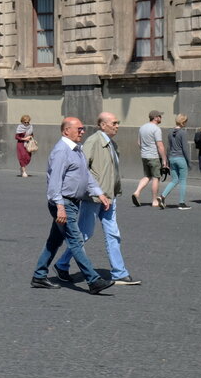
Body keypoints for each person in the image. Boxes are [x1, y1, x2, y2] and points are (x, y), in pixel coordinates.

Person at [30, 117, 114, 294]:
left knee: (54, 240)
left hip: (73, 203)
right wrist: (60, 207)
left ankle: (39, 275)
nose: (82, 131)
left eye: (82, 129)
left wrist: (99, 193)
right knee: (75, 241)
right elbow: (54, 182)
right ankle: (93, 280)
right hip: (63, 203)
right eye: (79, 129)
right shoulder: (61, 151)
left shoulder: (77, 149)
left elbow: (86, 176)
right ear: (66, 131)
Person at [56, 112, 140, 285]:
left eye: (117, 123)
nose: (117, 126)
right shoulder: (93, 142)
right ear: (103, 125)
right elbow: (81, 168)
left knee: (113, 233)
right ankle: (62, 263)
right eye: (114, 123)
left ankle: (119, 272)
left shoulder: (112, 144)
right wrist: (92, 191)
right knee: (84, 234)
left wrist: (113, 192)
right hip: (93, 198)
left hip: (109, 196)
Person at [131, 110, 167, 207]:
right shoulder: (156, 129)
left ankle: (137, 192)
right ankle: (154, 200)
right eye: (160, 116)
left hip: (144, 156)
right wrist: (164, 159)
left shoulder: (142, 127)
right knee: (156, 178)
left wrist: (144, 151)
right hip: (154, 156)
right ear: (155, 118)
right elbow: (160, 145)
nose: (161, 118)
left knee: (147, 176)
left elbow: (139, 143)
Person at [159, 114, 192, 210]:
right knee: (182, 180)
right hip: (181, 158)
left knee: (174, 180)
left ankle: (162, 196)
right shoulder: (183, 133)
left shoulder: (170, 132)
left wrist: (168, 161)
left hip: (172, 158)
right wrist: (189, 162)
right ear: (183, 122)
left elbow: (168, 147)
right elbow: (185, 149)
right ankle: (181, 203)